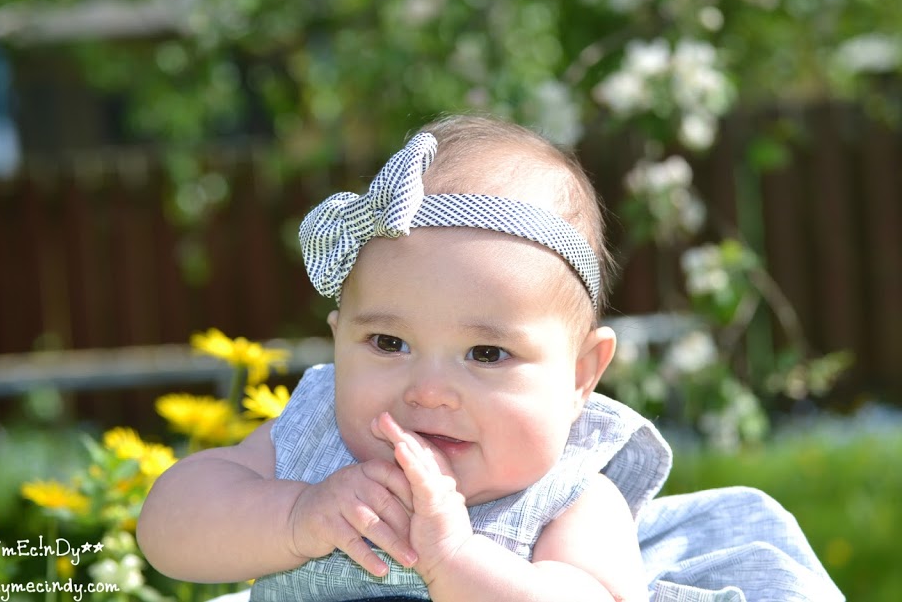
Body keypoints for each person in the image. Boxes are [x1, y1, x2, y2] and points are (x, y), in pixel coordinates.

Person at [138, 115, 844, 602]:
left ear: (579, 376)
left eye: (486, 352)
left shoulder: (573, 490)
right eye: (389, 343)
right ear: (337, 338)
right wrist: (292, 516)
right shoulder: (314, 435)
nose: (430, 389)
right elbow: (168, 525)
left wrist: (458, 565)